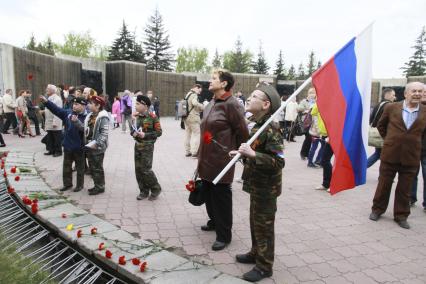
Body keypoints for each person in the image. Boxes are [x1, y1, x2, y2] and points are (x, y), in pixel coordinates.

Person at [230, 85, 284, 282]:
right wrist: (242, 154)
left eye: (254, 96)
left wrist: (253, 154)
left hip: (267, 187)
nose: (249, 98)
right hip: (256, 182)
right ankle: (256, 252)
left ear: (266, 104)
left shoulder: (272, 128)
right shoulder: (255, 122)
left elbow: (279, 161)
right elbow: (254, 150)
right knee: (255, 221)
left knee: (264, 225)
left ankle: (264, 266)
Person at [197, 69, 249, 251]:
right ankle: (214, 222)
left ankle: (224, 235)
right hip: (206, 156)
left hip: (222, 159)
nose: (209, 81)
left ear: (224, 83)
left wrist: (240, 154)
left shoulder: (232, 104)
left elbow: (243, 132)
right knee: (209, 192)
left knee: (221, 196)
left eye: (213, 79)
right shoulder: (211, 103)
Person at [369, 82, 426, 229]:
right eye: (414, 91)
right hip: (390, 153)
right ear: (406, 93)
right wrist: (391, 140)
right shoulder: (391, 107)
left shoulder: (425, 111)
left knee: (405, 188)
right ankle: (377, 210)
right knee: (384, 184)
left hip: (412, 157)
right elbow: (381, 125)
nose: (417, 94)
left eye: (420, 91)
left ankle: (401, 215)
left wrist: (419, 148)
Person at [40, 95, 87, 192]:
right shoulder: (68, 113)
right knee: (66, 168)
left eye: (77, 104)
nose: (74, 106)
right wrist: (46, 102)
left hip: (79, 147)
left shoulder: (87, 117)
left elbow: (87, 131)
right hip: (68, 145)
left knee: (80, 168)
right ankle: (67, 184)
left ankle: (79, 185)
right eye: (73, 104)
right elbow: (56, 110)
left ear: (83, 106)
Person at [74, 96, 109, 195]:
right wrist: (76, 122)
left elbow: (104, 133)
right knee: (93, 168)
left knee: (97, 168)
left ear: (98, 106)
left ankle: (100, 186)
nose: (88, 105)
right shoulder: (90, 116)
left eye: (91, 103)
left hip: (97, 148)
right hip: (89, 146)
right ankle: (97, 185)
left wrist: (97, 143)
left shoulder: (103, 117)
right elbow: (84, 129)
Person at [132, 95, 162, 201]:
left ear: (145, 106)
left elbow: (159, 132)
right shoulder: (136, 117)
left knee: (146, 170)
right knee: (138, 170)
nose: (135, 105)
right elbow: (133, 130)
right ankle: (143, 191)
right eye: (136, 103)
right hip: (138, 146)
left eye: (138, 104)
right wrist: (134, 134)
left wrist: (145, 135)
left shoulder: (153, 117)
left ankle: (156, 188)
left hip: (147, 147)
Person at [367, 88, 396, 168]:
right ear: (387, 95)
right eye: (393, 95)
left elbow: (371, 119)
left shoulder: (378, 104)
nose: (395, 97)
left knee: (378, 154)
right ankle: (360, 169)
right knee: (382, 156)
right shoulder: (389, 105)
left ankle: (360, 169)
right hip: (384, 135)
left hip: (377, 133)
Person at [410, 83, 426, 209]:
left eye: (423, 92)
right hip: (413, 149)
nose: (421, 94)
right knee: (411, 175)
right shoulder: (412, 108)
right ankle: (411, 198)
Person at [183, 84, 204, 157]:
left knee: (187, 135)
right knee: (197, 134)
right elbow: (194, 103)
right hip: (193, 117)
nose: (199, 92)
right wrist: (202, 106)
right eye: (199, 90)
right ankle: (195, 152)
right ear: (196, 88)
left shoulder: (188, 94)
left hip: (186, 117)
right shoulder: (194, 95)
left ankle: (187, 151)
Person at [44, 84, 63, 157]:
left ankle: (58, 151)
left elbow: (58, 111)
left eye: (48, 89)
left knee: (57, 137)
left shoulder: (57, 99)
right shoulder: (49, 98)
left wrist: (55, 122)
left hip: (54, 121)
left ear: (52, 90)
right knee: (50, 137)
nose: (46, 90)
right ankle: (51, 150)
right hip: (49, 121)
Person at [298, 88, 316, 159]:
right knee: (308, 138)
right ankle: (303, 153)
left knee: (310, 139)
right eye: (310, 93)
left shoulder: (316, 101)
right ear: (308, 94)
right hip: (306, 122)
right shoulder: (304, 101)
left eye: (313, 93)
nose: (312, 94)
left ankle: (306, 153)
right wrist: (306, 110)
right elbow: (298, 108)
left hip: (314, 122)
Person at [307, 103, 326, 168]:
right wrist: (319, 132)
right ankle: (310, 162)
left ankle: (318, 160)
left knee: (323, 146)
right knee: (314, 146)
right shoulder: (315, 110)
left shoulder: (318, 107)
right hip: (316, 132)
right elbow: (316, 123)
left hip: (320, 132)